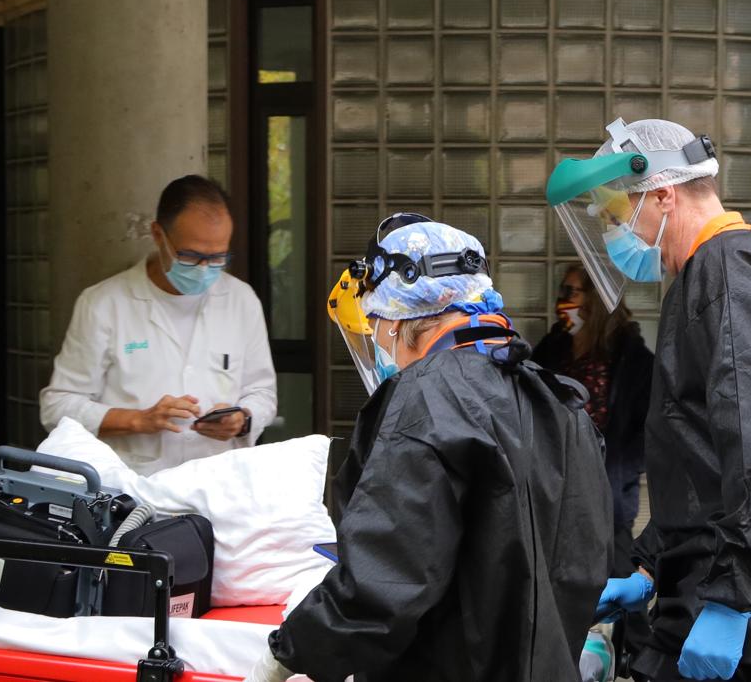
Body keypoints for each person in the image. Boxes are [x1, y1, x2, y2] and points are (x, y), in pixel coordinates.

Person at [548, 118, 751, 682]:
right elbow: (703, 460)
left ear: (663, 194)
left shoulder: (727, 274)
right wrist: (651, 565)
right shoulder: (727, 267)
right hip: (724, 587)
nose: (620, 236)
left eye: (618, 216)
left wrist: (734, 600)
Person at [244, 214, 612, 682]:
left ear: (401, 320)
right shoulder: (560, 401)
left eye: (376, 330)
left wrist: (289, 652)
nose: (380, 348)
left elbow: (383, 582)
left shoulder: (427, 398)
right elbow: (579, 566)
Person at [39, 175, 276, 475]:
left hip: (218, 481)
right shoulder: (104, 303)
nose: (205, 268)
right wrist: (137, 420)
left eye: (217, 257)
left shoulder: (241, 300)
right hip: (132, 485)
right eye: (191, 255)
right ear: (158, 234)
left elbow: (263, 393)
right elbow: (57, 406)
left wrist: (242, 419)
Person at [532, 265, 653, 576]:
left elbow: (643, 425)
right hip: (555, 479)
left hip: (607, 485)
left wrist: (625, 469)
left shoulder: (629, 357)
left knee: (619, 568)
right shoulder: (554, 347)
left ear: (594, 299)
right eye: (563, 292)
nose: (563, 301)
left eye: (571, 292)